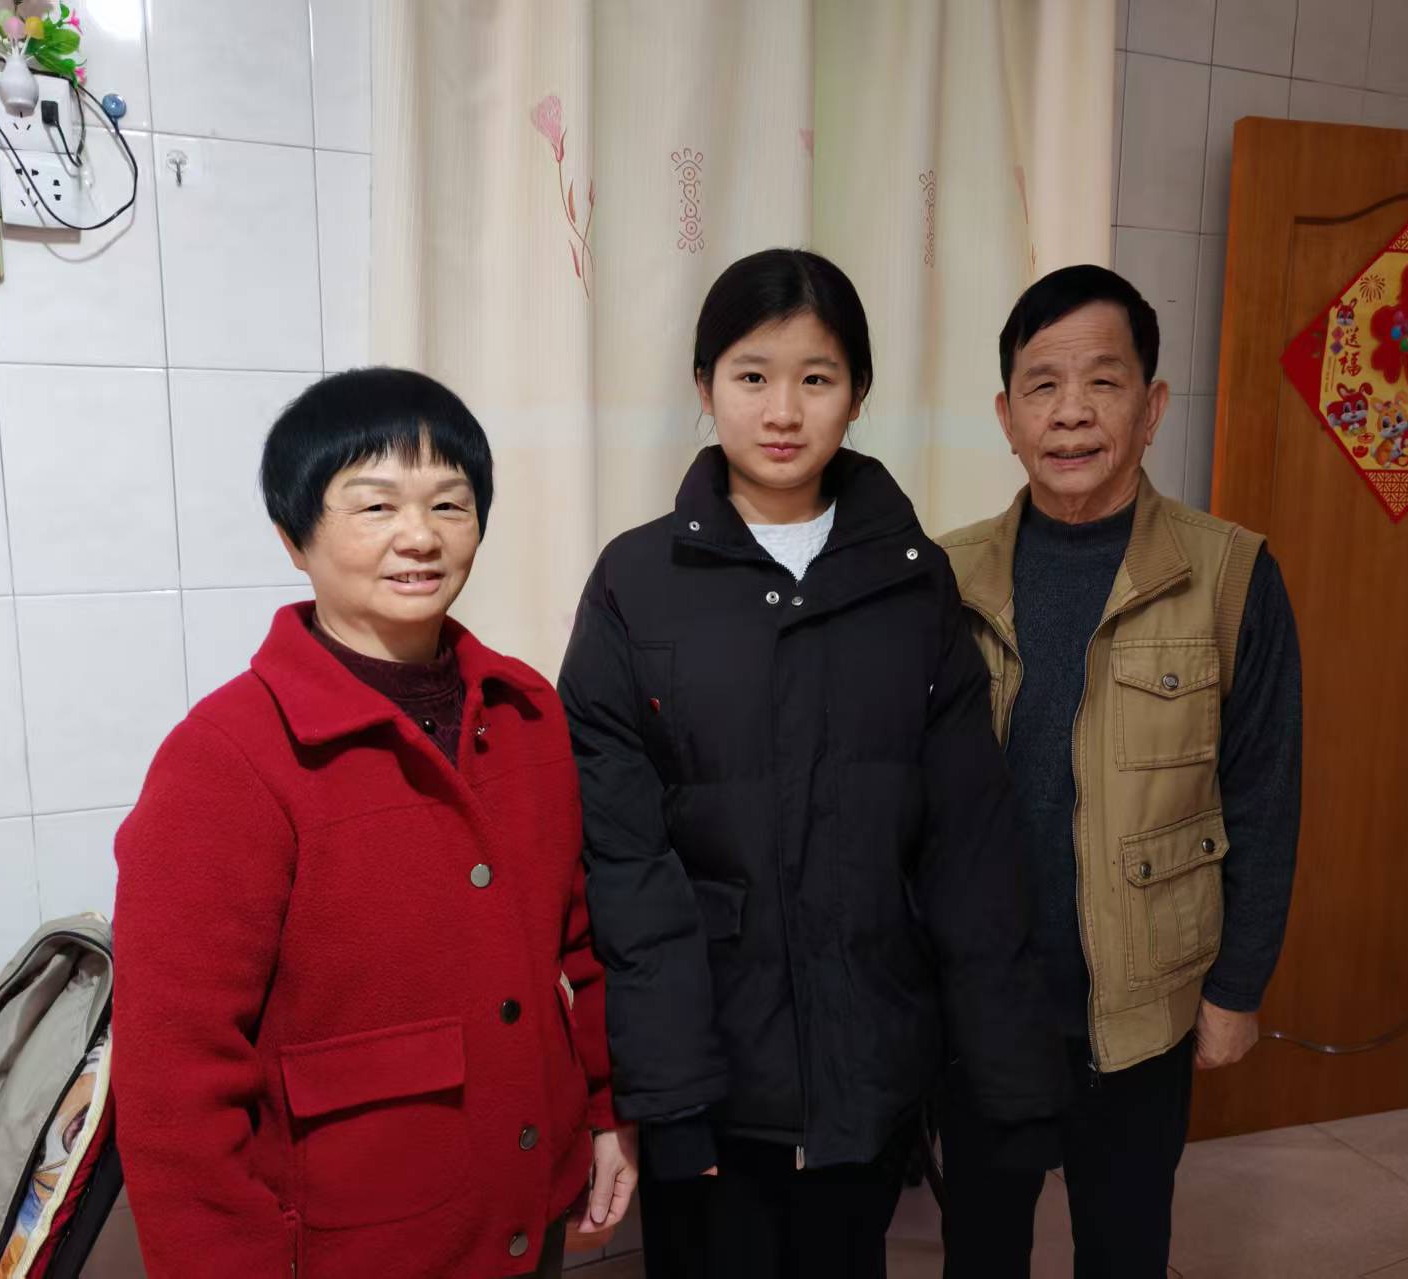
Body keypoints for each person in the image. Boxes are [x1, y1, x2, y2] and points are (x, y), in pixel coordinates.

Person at [558, 248, 1060, 1279]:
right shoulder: (634, 583)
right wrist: (665, 1092)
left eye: (816, 377)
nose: (782, 410)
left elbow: (968, 840)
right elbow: (624, 863)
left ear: (858, 393)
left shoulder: (912, 581)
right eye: (752, 375)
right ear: (705, 387)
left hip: (868, 1062)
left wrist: (1007, 1074)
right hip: (711, 1073)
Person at [111, 368, 636, 1279]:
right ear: (294, 535)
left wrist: (605, 1112)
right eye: (376, 505)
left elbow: (583, 943)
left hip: (527, 1203)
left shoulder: (525, 711)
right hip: (349, 1244)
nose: (421, 536)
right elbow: (174, 1083)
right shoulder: (226, 757)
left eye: (450, 503)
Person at [937, 266, 1302, 1278]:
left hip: (1143, 1009)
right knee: (979, 1250)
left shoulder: (1228, 574)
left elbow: (1265, 794)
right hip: (986, 1010)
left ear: (1152, 407)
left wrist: (1236, 988)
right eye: (1042, 386)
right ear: (1006, 417)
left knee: (1125, 1248)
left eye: (1102, 381)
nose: (1070, 413)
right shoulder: (945, 577)